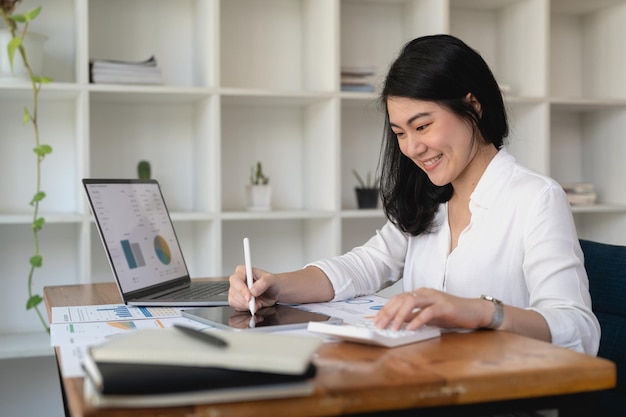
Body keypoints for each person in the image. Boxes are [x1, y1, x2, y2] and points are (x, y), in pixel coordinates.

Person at [228, 34, 600, 356]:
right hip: (431, 378)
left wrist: (483, 312)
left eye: (422, 126)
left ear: (473, 105)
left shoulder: (535, 198)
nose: (412, 148)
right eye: (400, 133)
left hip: (503, 393)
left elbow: (578, 329)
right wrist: (276, 285)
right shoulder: (430, 200)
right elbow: (362, 267)